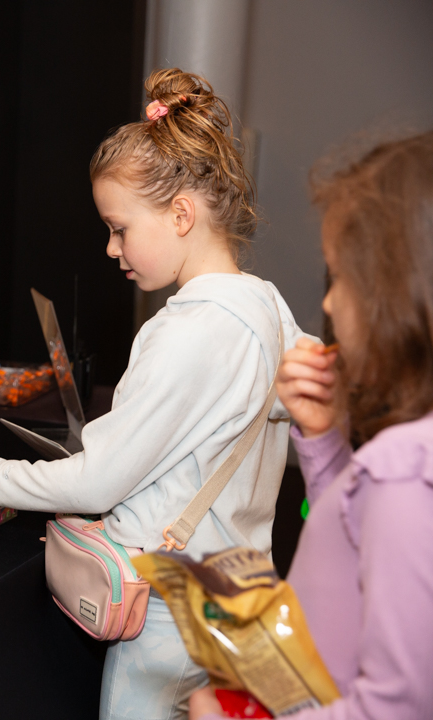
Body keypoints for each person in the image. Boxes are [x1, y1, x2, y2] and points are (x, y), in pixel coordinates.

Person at [0, 69, 312, 720]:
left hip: (166, 613)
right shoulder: (270, 306)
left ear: (182, 214)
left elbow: (94, 485)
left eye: (119, 228)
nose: (111, 249)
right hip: (249, 599)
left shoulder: (180, 331)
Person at [189, 132, 433, 719]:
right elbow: (356, 537)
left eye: (340, 278)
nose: (328, 305)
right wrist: (324, 442)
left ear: (392, 295)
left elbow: (397, 707)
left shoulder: (404, 472)